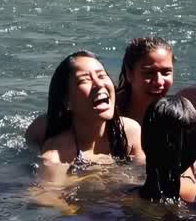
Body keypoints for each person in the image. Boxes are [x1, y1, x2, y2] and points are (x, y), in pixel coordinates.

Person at [25, 38, 174, 148]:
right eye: (148, 73)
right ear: (129, 74)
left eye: (166, 72)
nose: (159, 81)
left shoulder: (172, 117)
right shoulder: (103, 107)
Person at [37, 51, 144, 180]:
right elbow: (45, 198)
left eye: (101, 76)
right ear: (67, 102)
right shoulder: (56, 158)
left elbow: (144, 176)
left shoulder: (129, 132)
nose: (99, 84)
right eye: (85, 80)